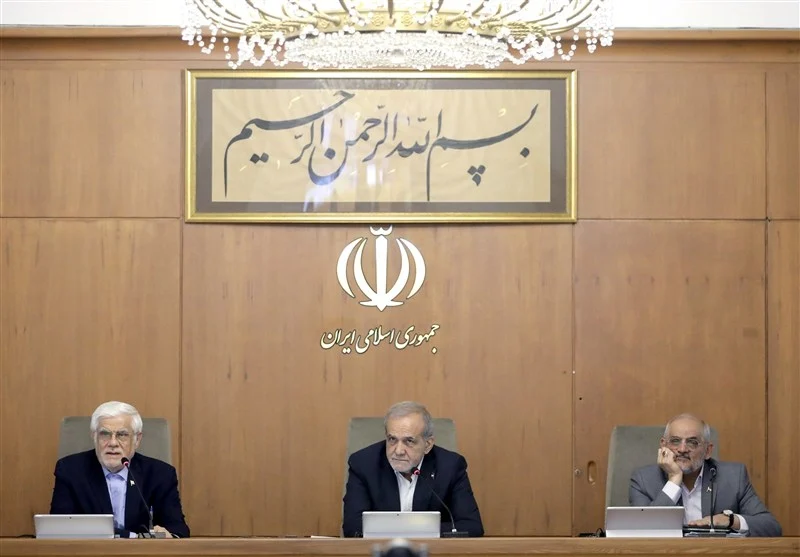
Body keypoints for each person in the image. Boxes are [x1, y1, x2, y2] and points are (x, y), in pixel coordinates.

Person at [342, 401, 484, 538]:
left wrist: (409, 531)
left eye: (409, 441)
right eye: (392, 439)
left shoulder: (450, 466)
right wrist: (418, 530)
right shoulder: (363, 464)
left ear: (427, 445)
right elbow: (352, 527)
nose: (398, 451)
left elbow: (471, 525)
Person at [49, 401, 190, 538]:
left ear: (137, 439)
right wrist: (132, 536)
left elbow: (178, 528)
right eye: (105, 434)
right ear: (94, 436)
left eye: (122, 435)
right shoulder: (70, 470)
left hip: (140, 551)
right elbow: (59, 527)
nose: (113, 443)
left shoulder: (160, 474)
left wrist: (167, 535)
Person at [629, 413, 781, 537]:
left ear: (708, 451)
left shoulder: (733, 477)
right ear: (663, 445)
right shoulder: (643, 480)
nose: (682, 449)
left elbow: (771, 527)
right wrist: (674, 480)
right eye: (675, 441)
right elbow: (641, 532)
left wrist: (729, 520)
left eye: (692, 442)